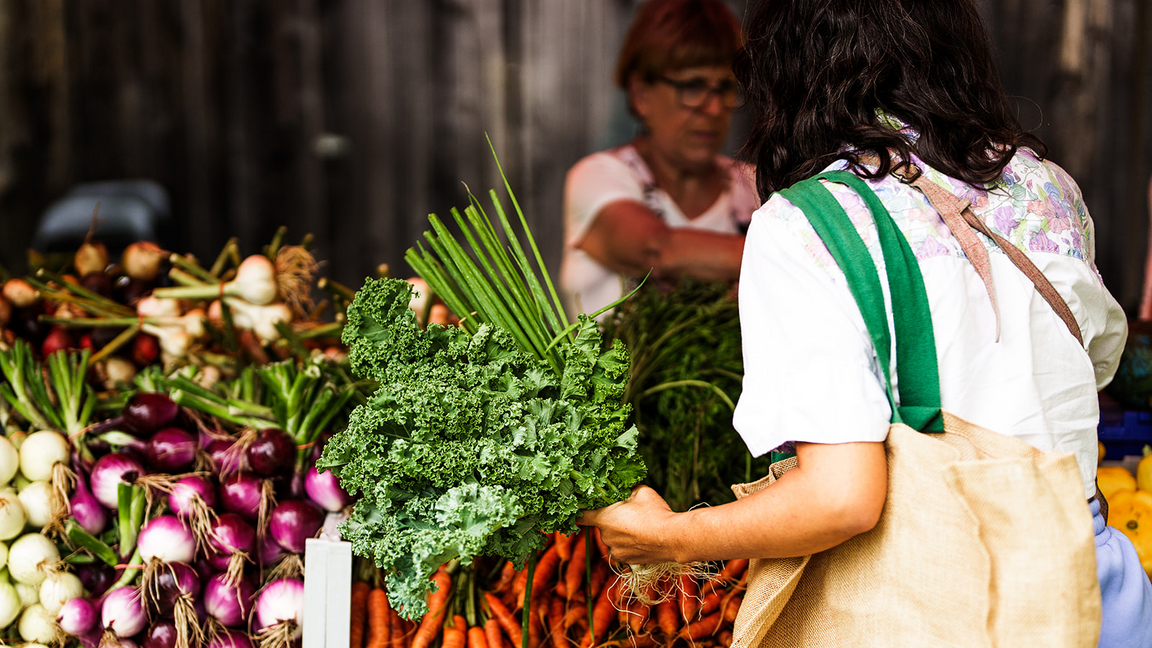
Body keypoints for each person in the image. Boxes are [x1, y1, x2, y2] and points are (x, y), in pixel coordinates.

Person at [577, 0, 1152, 645]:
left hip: (943, 602)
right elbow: (1093, 359)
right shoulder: (1047, 186)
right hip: (1096, 589)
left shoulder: (807, 223)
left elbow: (842, 498)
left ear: (789, 64)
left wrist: (672, 538)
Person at [559, 0, 758, 317]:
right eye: (693, 85)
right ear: (641, 93)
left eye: (724, 87)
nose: (714, 108)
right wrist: (787, 252)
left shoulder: (753, 187)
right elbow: (655, 250)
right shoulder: (598, 175)